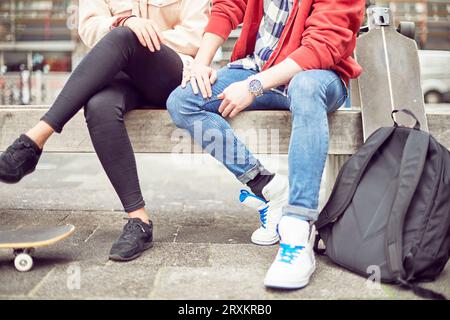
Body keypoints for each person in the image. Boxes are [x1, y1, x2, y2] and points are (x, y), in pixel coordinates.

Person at [167, 0, 365, 289]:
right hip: (257, 67)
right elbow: (228, 6)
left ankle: (298, 231)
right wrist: (200, 64)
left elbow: (323, 46)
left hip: (320, 76)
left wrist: (254, 86)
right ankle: (269, 187)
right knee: (184, 100)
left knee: (305, 87)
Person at [0, 0, 210, 262]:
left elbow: (195, 35)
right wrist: (120, 26)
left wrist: (139, 38)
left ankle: (34, 141)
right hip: (118, 74)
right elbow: (89, 28)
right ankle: (139, 221)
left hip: (171, 75)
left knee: (126, 35)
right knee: (99, 106)